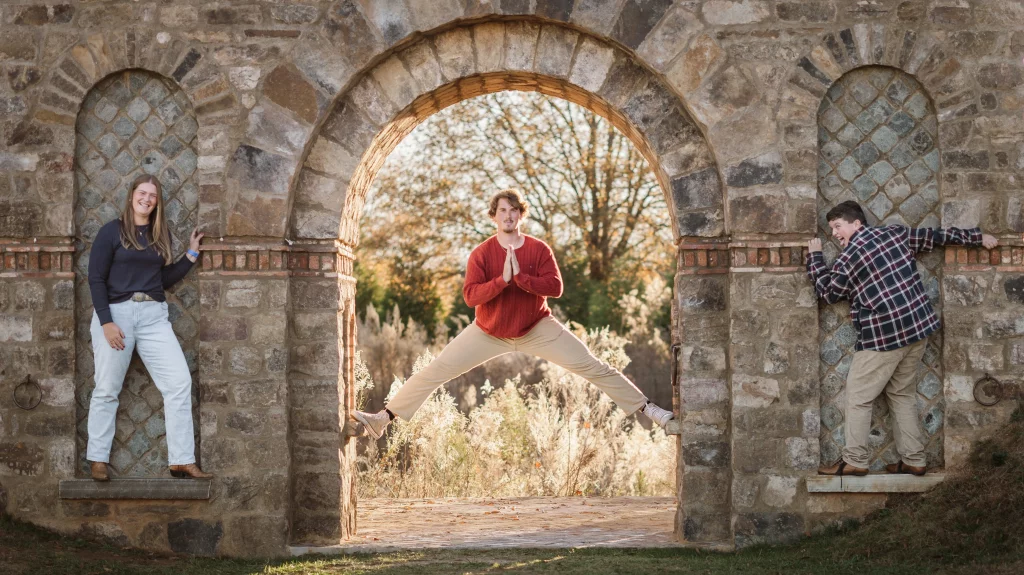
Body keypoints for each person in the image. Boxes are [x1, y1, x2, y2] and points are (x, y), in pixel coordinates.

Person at [353, 189, 674, 439]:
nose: (508, 215)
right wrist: (502, 281)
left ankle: (650, 410)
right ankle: (383, 419)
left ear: (521, 214)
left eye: (514, 210)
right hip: (487, 331)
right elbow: (470, 296)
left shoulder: (538, 249)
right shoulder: (482, 253)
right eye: (502, 210)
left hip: (537, 327)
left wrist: (521, 278)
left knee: (593, 366)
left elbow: (556, 287)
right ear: (494, 216)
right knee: (436, 370)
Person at [808, 200, 998, 477]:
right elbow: (937, 237)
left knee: (858, 398)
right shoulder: (893, 234)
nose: (835, 234)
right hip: (918, 330)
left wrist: (814, 258)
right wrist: (978, 237)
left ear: (857, 223)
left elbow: (828, 293)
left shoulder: (847, 259)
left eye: (838, 226)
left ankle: (855, 460)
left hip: (883, 337)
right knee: (901, 394)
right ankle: (914, 459)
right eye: (832, 229)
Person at [86, 175, 211, 481]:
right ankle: (97, 459)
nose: (147, 199)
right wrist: (106, 322)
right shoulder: (111, 231)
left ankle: (181, 460)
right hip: (118, 314)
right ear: (132, 196)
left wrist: (191, 255)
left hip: (154, 317)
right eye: (142, 193)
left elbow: (161, 280)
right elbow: (95, 278)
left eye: (152, 195)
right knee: (107, 389)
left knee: (179, 383)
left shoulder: (160, 234)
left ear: (157, 202)